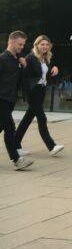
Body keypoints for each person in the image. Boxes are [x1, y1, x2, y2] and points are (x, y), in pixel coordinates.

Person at [16, 35, 64, 157]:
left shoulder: (45, 58)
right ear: (36, 45)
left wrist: (55, 67)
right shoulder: (31, 57)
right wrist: (26, 93)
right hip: (33, 92)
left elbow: (45, 73)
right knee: (42, 118)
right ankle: (51, 146)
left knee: (27, 119)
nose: (45, 46)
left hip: (41, 90)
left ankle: (15, 145)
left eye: (47, 44)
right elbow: (23, 76)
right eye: (42, 44)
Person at [0, 31, 32, 170]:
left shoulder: (17, 60)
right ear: (11, 42)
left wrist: (24, 66)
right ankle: (17, 159)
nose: (21, 47)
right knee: (10, 127)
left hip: (10, 100)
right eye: (19, 44)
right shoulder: (2, 59)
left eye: (23, 45)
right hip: (1, 99)